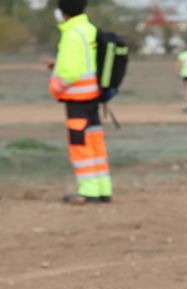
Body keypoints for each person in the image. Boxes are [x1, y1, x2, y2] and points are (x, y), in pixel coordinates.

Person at [48, 0, 111, 205]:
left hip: (77, 99)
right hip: (92, 97)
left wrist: (55, 88)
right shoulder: (89, 29)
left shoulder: (72, 34)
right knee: (95, 144)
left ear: (63, 11)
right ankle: (103, 189)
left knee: (80, 146)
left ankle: (88, 192)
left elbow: (72, 71)